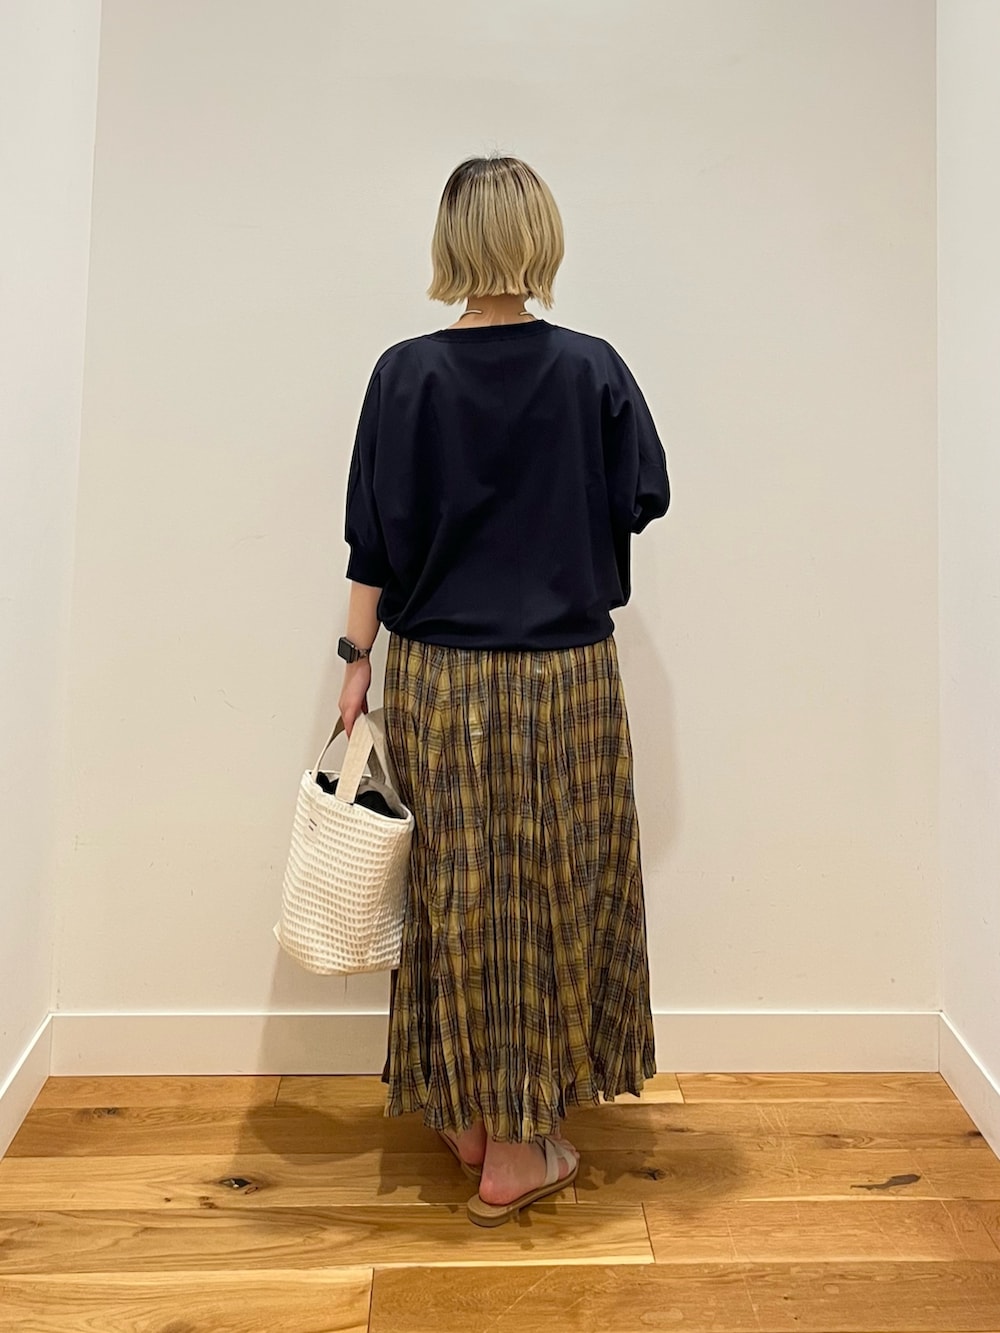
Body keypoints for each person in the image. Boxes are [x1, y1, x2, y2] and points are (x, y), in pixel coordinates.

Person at [337, 153, 670, 1227]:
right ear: (540, 237)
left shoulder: (403, 375)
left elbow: (371, 542)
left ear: (450, 243)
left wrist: (354, 663)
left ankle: (474, 1116)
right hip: (565, 676)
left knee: (456, 896)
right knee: (553, 891)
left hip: (438, 677)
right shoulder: (592, 371)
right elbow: (643, 496)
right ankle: (520, 1149)